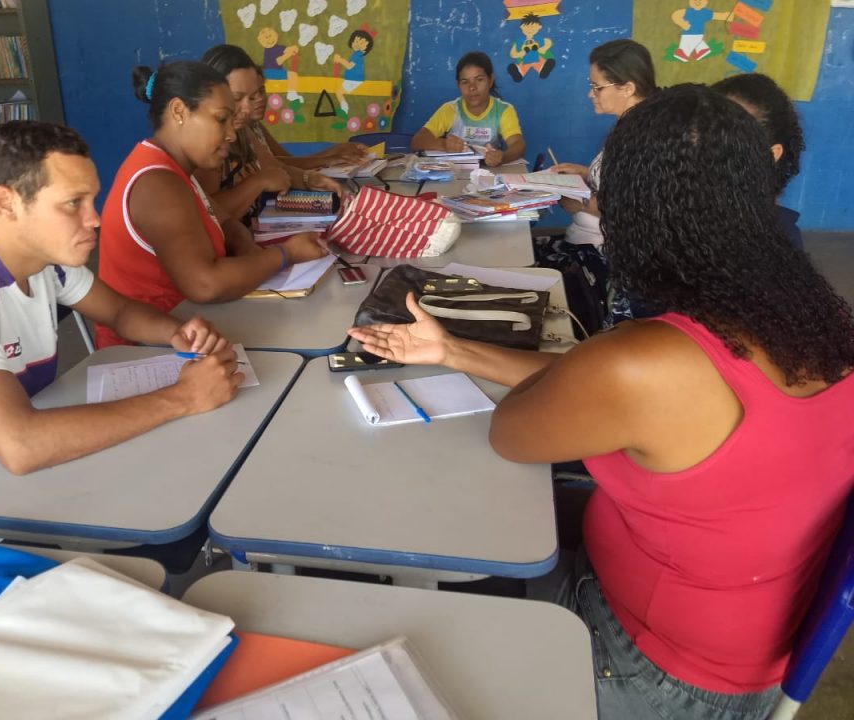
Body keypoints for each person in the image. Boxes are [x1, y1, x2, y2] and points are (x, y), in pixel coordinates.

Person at [350, 84, 854, 720]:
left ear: (635, 213)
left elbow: (514, 431)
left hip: (650, 672)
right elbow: (595, 390)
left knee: (410, 605)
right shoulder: (810, 320)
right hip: (730, 652)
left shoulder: (647, 361)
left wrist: (473, 356)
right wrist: (453, 351)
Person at [0, 121, 242, 536]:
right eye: (73, 203)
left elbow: (119, 312)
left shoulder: (43, 258)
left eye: (92, 200)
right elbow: (21, 444)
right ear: (6, 203)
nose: (95, 219)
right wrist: (182, 397)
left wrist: (176, 332)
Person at [96, 61, 329, 349]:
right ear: (179, 111)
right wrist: (286, 254)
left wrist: (246, 247)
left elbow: (226, 223)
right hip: (146, 348)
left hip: (190, 327)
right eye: (221, 119)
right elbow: (205, 285)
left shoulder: (176, 169)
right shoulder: (157, 183)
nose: (232, 134)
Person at [534, 38, 657, 334]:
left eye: (597, 87)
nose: (591, 94)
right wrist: (585, 173)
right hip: (587, 239)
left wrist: (580, 202)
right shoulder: (628, 127)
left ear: (627, 88)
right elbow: (619, 181)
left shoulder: (643, 138)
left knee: (525, 269)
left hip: (603, 254)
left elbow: (633, 205)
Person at [194, 44, 343, 222]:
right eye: (237, 98)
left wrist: (309, 179)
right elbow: (207, 214)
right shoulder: (205, 143)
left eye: (253, 96)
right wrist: (258, 182)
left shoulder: (242, 129)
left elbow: (275, 167)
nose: (247, 108)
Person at [712, 72, 805, 249]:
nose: (712, 147)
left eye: (733, 139)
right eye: (706, 128)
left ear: (772, 154)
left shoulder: (779, 240)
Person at [411, 51, 526, 167]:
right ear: (458, 85)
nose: (472, 87)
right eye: (465, 82)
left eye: (479, 79)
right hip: (455, 173)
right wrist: (443, 144)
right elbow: (417, 141)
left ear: (490, 80)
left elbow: (518, 144)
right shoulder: (450, 109)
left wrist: (502, 157)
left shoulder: (503, 110)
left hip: (489, 174)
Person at [249, 67, 369, 170]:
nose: (260, 98)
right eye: (251, 95)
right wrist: (328, 160)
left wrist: (337, 150)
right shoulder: (242, 133)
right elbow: (275, 165)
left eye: (262, 90)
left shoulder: (256, 126)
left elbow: (288, 161)